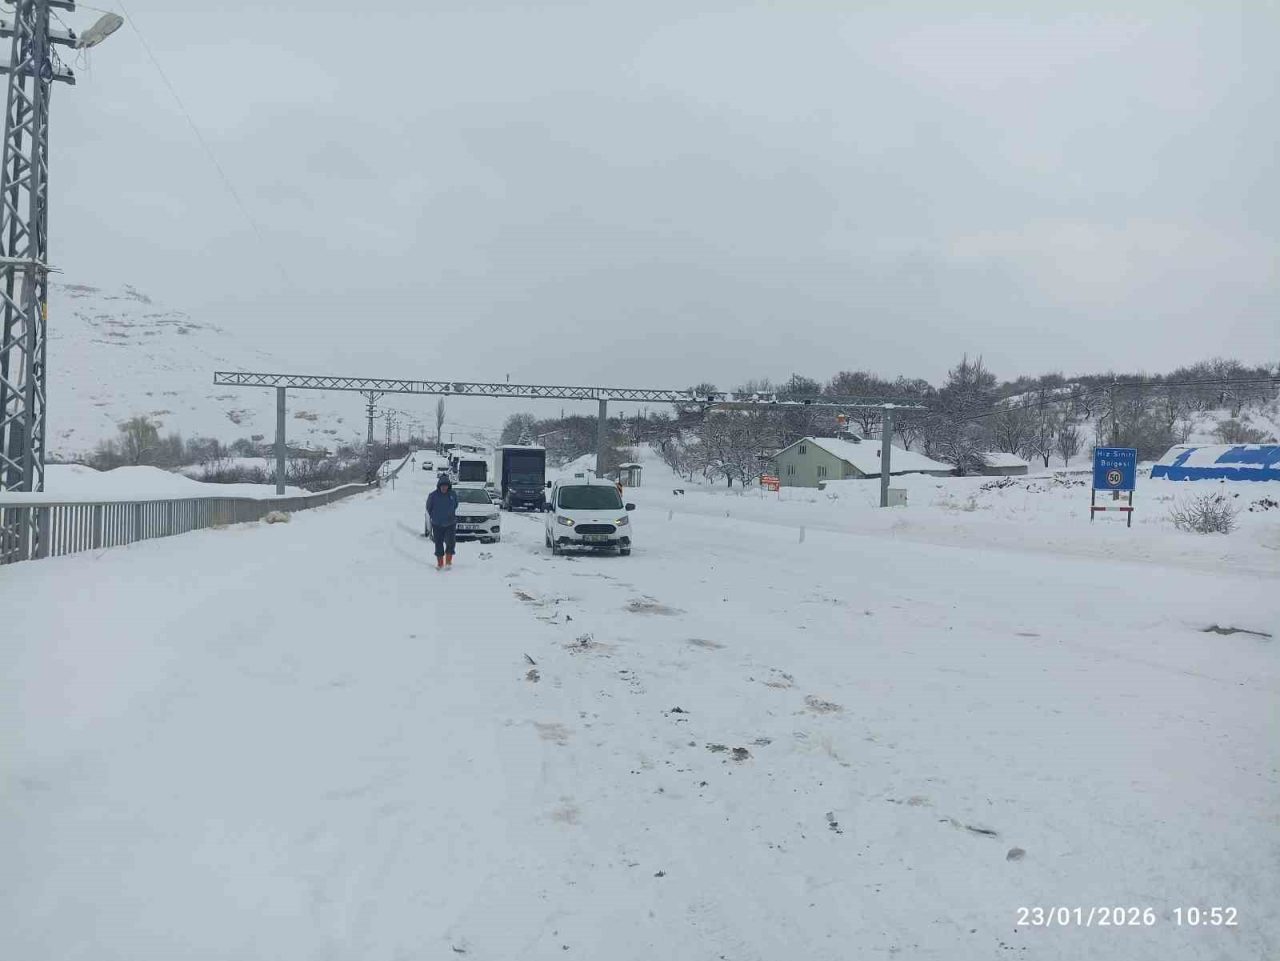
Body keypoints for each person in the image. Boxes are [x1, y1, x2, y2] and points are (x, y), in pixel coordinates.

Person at [426, 474, 459, 569]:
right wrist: (435, 516)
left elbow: (456, 505)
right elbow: (429, 507)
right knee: (438, 543)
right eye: (442, 486)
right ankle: (440, 563)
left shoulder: (452, 495)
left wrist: (449, 514)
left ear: (448, 486)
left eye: (446, 486)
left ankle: (448, 562)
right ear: (439, 486)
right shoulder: (433, 495)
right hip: (437, 524)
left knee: (451, 543)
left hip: (450, 523)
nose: (444, 487)